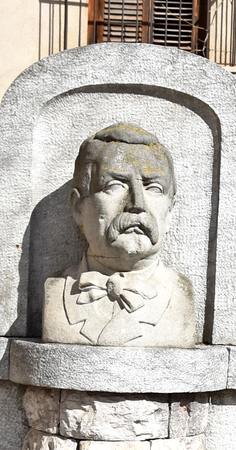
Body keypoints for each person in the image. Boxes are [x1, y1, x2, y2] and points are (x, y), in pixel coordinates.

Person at [42, 123, 197, 347]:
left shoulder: (180, 294)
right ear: (78, 207)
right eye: (115, 185)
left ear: (170, 210)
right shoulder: (55, 290)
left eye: (153, 188)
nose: (137, 204)